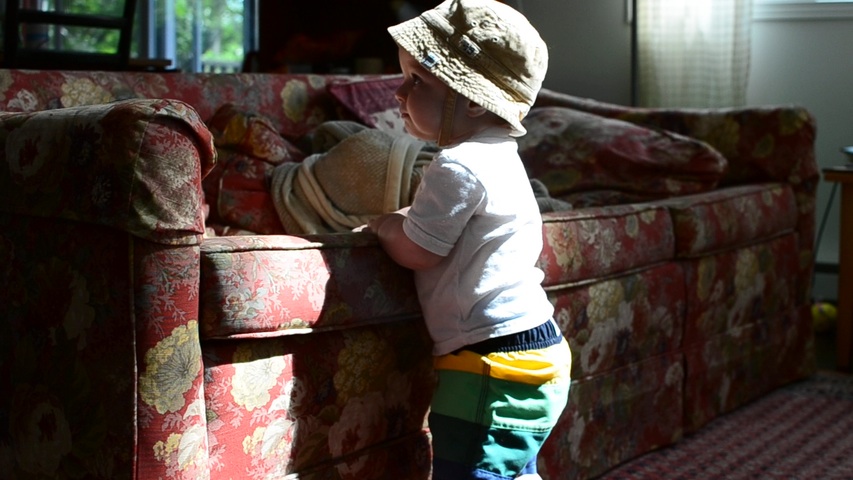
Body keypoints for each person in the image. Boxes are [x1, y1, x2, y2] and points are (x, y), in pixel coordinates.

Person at [365, 1, 572, 479]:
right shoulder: (501, 156)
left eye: (417, 81)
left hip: (490, 364)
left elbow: (418, 249)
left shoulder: (458, 165)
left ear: (474, 99)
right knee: (514, 472)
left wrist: (383, 225)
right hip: (534, 350)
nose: (398, 93)